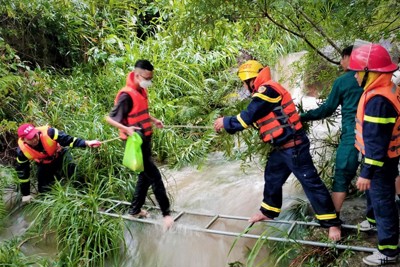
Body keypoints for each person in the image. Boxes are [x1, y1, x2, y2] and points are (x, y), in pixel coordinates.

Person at [213, 60, 342, 241]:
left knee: (311, 183)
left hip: (294, 146)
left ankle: (333, 224)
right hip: (282, 148)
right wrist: (228, 126)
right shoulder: (263, 92)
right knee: (272, 176)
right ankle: (268, 211)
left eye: (244, 82)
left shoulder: (268, 90)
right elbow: (251, 119)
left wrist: (225, 121)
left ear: (251, 79)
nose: (244, 86)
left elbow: (248, 116)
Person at [105, 59, 174, 230]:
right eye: (146, 78)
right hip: (135, 143)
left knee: (145, 177)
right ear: (137, 75)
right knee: (155, 176)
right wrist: (126, 129)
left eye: (151, 78)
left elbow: (141, 112)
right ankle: (166, 214)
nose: (149, 81)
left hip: (145, 138)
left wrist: (154, 120)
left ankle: (135, 210)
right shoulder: (126, 95)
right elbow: (110, 119)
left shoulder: (141, 90)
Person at [348, 43, 400, 266]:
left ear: (371, 72)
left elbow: (377, 145)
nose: (355, 77)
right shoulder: (386, 88)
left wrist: (366, 172)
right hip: (382, 159)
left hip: (380, 162)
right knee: (376, 198)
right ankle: (372, 222)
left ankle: (388, 251)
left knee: (383, 202)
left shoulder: (378, 102)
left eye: (358, 72)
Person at [300, 46, 363, 218]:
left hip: (353, 136)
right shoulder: (375, 78)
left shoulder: (343, 81)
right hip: (376, 136)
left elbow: (327, 109)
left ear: (349, 57)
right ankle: (376, 217)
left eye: (342, 58)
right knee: (378, 174)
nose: (341, 62)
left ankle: (333, 220)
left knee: (341, 176)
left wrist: (302, 117)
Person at [15, 123, 101, 202]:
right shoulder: (21, 152)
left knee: (74, 172)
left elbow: (69, 140)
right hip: (45, 164)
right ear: (23, 140)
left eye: (35, 135)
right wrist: (26, 194)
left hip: (60, 155)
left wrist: (87, 143)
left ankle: (87, 192)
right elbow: (23, 174)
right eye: (30, 138)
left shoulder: (49, 132)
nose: (34, 139)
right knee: (44, 192)